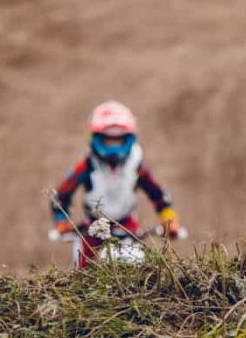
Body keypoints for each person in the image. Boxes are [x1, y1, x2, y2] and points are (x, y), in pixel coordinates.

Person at [51, 101, 182, 268]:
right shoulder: (86, 165)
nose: (113, 146)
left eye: (119, 140)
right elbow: (60, 196)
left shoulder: (136, 165)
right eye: (107, 140)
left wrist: (169, 219)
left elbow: (159, 195)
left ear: (128, 138)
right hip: (92, 231)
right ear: (97, 138)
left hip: (128, 228)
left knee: (140, 274)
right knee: (83, 278)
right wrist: (62, 222)